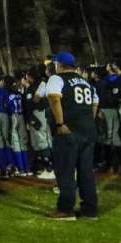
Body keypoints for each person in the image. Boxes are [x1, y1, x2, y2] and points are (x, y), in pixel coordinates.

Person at [44, 52, 99, 220]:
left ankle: (66, 209)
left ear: (59, 65)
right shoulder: (86, 83)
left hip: (69, 131)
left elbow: (54, 100)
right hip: (88, 130)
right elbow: (94, 105)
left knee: (65, 171)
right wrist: (87, 121)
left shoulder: (56, 79)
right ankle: (90, 210)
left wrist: (60, 124)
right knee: (86, 171)